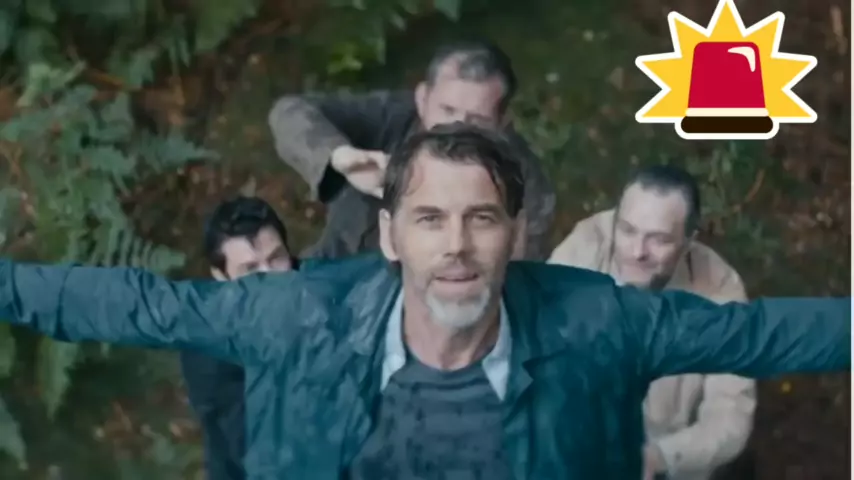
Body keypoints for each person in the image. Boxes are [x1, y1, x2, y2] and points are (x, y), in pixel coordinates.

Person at [0, 124, 848, 480]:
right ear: (388, 235)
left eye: (482, 218)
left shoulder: (598, 321)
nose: (456, 246)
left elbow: (759, 335)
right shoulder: (295, 315)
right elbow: (143, 305)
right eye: (430, 219)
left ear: (515, 235)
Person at [549, 165, 755, 480]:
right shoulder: (584, 250)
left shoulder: (720, 293)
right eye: (627, 230)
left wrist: (658, 457)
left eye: (658, 240)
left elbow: (730, 416)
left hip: (666, 461)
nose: (637, 252)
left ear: (688, 241)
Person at [268, 39, 555, 260]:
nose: (456, 128)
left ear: (502, 123)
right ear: (422, 99)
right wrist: (341, 156)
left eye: (477, 120)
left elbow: (517, 280)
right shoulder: (391, 117)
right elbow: (290, 113)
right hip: (331, 269)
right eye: (447, 110)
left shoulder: (526, 187)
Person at [180, 196, 298, 480]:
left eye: (276, 258)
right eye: (250, 269)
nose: (269, 278)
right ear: (221, 277)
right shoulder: (208, 349)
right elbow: (262, 447)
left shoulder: (317, 288)